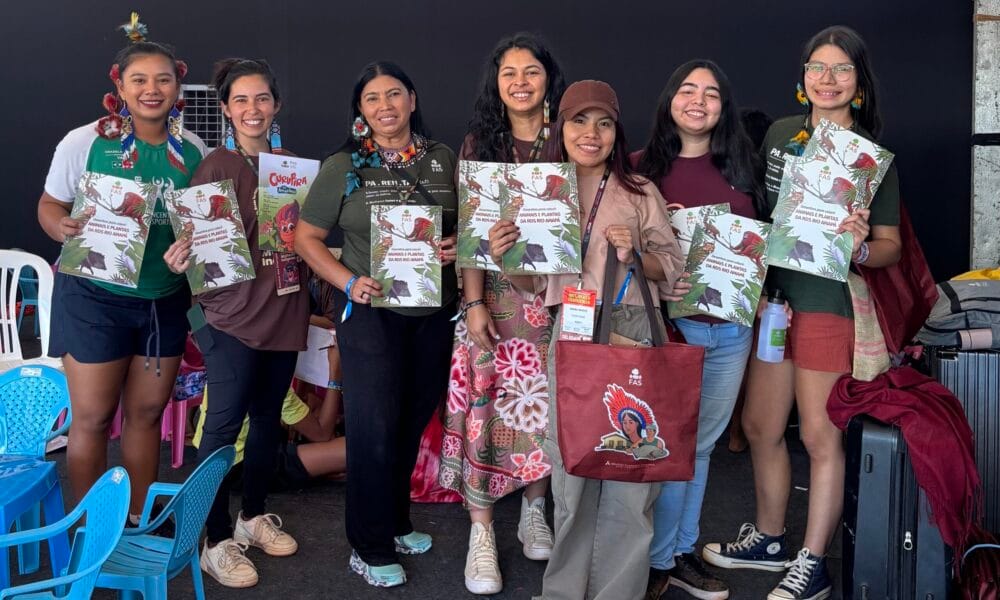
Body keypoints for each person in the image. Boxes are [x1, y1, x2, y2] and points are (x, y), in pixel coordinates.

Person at [702, 26, 901, 600]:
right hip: (772, 303)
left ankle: (812, 563)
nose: (828, 79)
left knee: (818, 435)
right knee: (763, 427)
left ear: (858, 84)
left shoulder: (870, 158)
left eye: (842, 70)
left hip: (827, 306)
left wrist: (860, 244)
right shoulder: (781, 137)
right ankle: (770, 539)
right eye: (818, 67)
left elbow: (889, 247)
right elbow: (759, 213)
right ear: (802, 77)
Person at [490, 79, 684, 600]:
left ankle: (618, 592)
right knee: (571, 469)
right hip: (570, 335)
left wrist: (639, 250)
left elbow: (674, 268)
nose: (591, 133)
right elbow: (533, 283)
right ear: (561, 127)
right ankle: (564, 591)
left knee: (631, 471)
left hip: (632, 331)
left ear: (617, 131)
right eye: (579, 121)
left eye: (603, 123)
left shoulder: (640, 192)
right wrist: (508, 254)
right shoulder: (540, 194)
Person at [37, 14, 206, 524]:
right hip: (92, 297)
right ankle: (93, 523)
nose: (151, 90)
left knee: (147, 415)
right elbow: (48, 205)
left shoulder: (193, 151)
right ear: (120, 85)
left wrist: (191, 247)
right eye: (139, 80)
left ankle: (136, 516)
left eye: (162, 79)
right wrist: (62, 228)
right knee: (91, 418)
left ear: (178, 83)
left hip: (163, 301)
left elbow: (200, 227)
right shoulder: (85, 142)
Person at [295, 61, 459, 588]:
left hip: (431, 313)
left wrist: (457, 247)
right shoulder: (344, 165)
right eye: (371, 98)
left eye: (394, 94)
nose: (384, 106)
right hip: (371, 314)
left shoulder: (442, 159)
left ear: (412, 99)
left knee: (410, 421)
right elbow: (306, 238)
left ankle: (395, 522)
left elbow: (464, 229)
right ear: (360, 110)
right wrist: (347, 282)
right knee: (372, 430)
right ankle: (366, 545)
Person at [165, 58, 309, 588]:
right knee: (224, 427)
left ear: (276, 105)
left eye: (262, 98)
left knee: (269, 419)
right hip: (231, 317)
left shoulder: (293, 167)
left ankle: (251, 516)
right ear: (226, 108)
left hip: (285, 310)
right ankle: (213, 537)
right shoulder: (214, 169)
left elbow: (309, 240)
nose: (253, 109)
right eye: (242, 100)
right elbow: (201, 252)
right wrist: (182, 257)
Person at [438, 32, 565, 596]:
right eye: (509, 71)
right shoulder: (478, 144)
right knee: (487, 409)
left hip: (555, 300)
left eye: (531, 71)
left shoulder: (567, 141)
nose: (520, 81)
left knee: (542, 411)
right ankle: (482, 533)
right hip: (492, 301)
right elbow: (469, 236)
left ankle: (536, 512)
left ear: (547, 80)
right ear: (496, 83)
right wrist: (472, 303)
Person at [632, 59, 763, 600]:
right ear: (669, 100)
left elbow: (764, 246)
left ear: (723, 107)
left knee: (701, 449)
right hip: (670, 328)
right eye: (687, 89)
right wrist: (662, 230)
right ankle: (655, 559)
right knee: (665, 448)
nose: (698, 100)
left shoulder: (744, 170)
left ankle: (681, 553)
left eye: (711, 93)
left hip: (731, 330)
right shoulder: (641, 171)